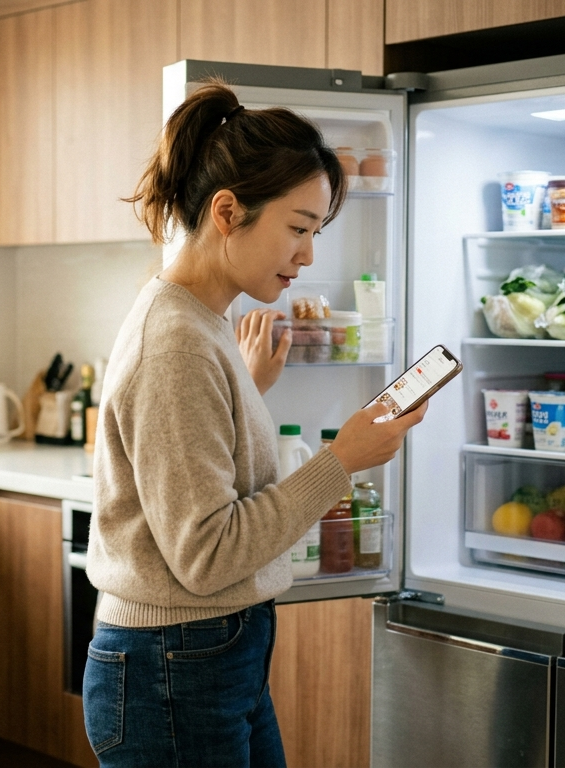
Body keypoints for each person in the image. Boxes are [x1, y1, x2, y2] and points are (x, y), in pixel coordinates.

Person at [83, 80, 427, 768]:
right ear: (228, 211)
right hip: (173, 665)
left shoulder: (202, 324)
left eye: (316, 233)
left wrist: (248, 387)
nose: (307, 255)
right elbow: (206, 555)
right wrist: (341, 462)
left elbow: (203, 465)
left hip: (204, 654)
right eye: (298, 228)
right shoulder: (178, 341)